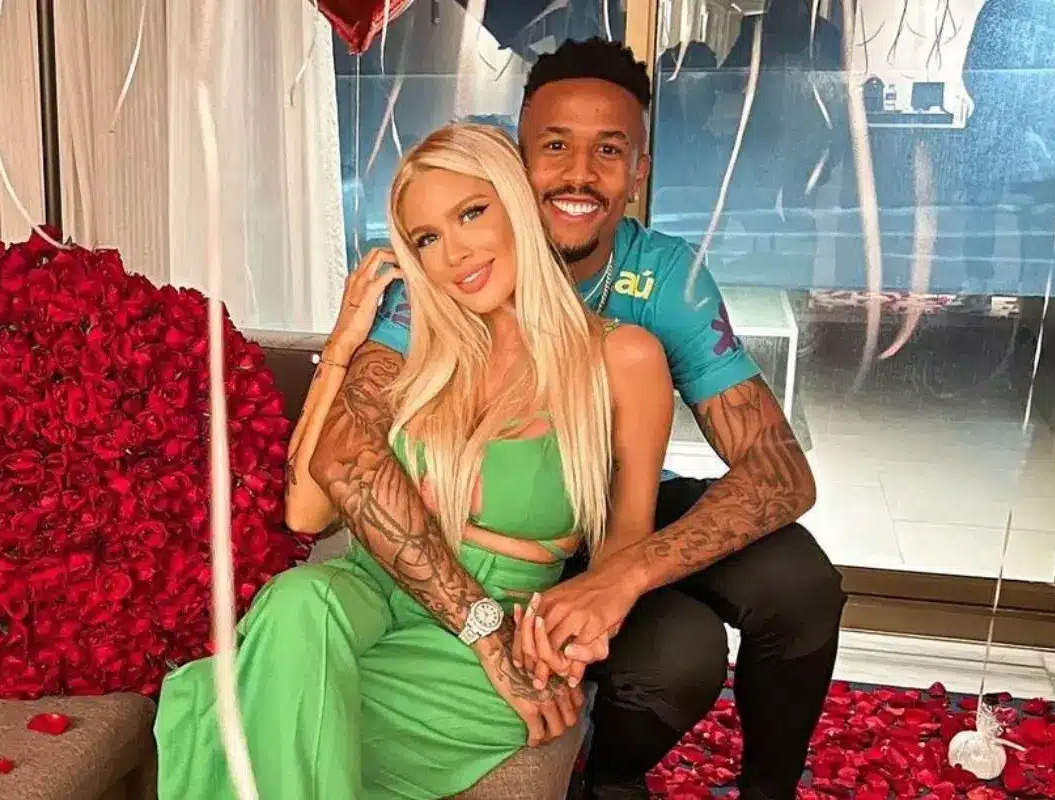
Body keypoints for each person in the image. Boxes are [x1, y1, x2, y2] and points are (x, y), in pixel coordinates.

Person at [310, 39, 846, 800]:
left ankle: (770, 790)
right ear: (515, 162)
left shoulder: (665, 278)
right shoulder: (446, 270)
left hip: (619, 493)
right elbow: (348, 450)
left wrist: (624, 574)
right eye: (555, 146)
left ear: (639, 172)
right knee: (681, 654)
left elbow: (782, 472)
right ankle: (612, 779)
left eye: (609, 150)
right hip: (494, 515)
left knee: (800, 584)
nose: (579, 174)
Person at [154, 123, 674, 798]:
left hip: (500, 623)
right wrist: (342, 346)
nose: (454, 253)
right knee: (297, 600)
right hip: (372, 591)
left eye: (471, 213)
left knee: (256, 703)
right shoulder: (415, 354)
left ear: (516, 202)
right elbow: (306, 511)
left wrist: (583, 626)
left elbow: (627, 536)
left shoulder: (622, 358)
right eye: (426, 239)